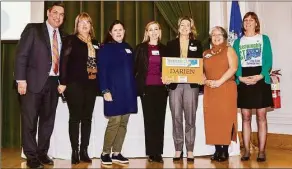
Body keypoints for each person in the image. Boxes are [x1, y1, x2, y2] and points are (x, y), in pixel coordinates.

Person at [14, 2, 65, 168]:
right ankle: (31, 156)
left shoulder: (62, 36)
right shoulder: (33, 29)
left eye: (62, 14)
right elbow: (21, 55)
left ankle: (42, 153)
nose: (58, 16)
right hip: (32, 83)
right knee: (30, 122)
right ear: (48, 13)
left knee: (47, 122)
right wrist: (21, 80)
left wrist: (62, 81)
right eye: (55, 12)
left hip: (53, 83)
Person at [58, 12, 100, 164]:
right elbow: (63, 61)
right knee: (75, 119)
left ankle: (84, 151)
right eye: (81, 22)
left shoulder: (95, 42)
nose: (84, 25)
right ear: (77, 25)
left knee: (87, 119)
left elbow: (98, 64)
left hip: (91, 85)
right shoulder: (71, 40)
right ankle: (74, 151)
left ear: (91, 26)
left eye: (87, 22)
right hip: (74, 84)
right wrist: (63, 82)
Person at [233, 12, 273, 162]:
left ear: (256, 23)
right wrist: (240, 77)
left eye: (251, 20)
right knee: (246, 117)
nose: (248, 22)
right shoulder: (237, 42)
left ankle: (262, 151)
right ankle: (246, 151)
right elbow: (235, 62)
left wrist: (261, 75)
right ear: (243, 23)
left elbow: (268, 59)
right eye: (246, 20)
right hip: (244, 78)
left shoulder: (264, 39)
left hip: (260, 78)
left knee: (262, 116)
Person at [98, 20, 138, 165]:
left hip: (128, 91)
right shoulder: (105, 49)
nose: (118, 32)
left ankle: (117, 152)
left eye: (120, 29)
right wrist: (104, 90)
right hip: (113, 91)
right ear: (110, 33)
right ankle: (105, 153)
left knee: (123, 122)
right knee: (114, 122)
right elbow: (101, 71)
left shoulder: (128, 47)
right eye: (115, 30)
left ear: (124, 31)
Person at [164, 16, 203, 162]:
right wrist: (166, 77)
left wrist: (201, 75)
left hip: (191, 85)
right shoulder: (170, 44)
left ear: (191, 28)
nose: (185, 27)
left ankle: (190, 149)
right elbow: (166, 65)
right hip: (174, 85)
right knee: (176, 117)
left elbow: (200, 64)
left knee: (190, 117)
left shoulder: (197, 44)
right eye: (182, 25)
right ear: (178, 27)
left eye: (188, 25)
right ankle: (178, 148)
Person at [134, 21, 168, 163]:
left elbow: (171, 68)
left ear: (160, 32)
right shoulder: (140, 48)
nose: (153, 32)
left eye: (156, 29)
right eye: (150, 29)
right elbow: (134, 70)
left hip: (161, 89)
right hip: (146, 89)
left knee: (160, 121)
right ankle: (150, 152)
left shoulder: (165, 49)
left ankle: (158, 152)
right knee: (149, 121)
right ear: (146, 32)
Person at [203, 26, 238, 162]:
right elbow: (200, 70)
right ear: (210, 38)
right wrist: (205, 81)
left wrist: (219, 82)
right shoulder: (206, 53)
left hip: (226, 88)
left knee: (225, 118)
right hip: (210, 89)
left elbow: (233, 68)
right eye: (213, 35)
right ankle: (217, 150)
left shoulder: (229, 50)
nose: (216, 37)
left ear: (224, 36)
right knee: (213, 119)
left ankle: (224, 151)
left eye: (219, 34)